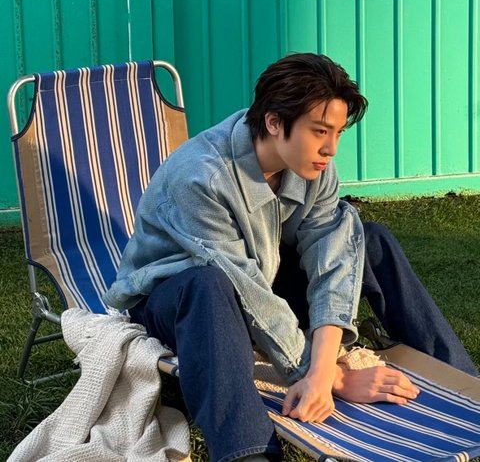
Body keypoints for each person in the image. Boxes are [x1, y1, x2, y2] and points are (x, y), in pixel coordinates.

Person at [104, 53, 477, 462]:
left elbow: (333, 261)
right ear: (273, 122)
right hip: (180, 304)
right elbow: (245, 287)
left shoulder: (315, 165)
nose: (330, 148)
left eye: (337, 133)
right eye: (320, 131)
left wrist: (322, 369)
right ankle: (249, 453)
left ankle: (465, 389)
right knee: (209, 282)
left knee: (370, 239)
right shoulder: (201, 177)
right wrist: (332, 378)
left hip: (261, 276)